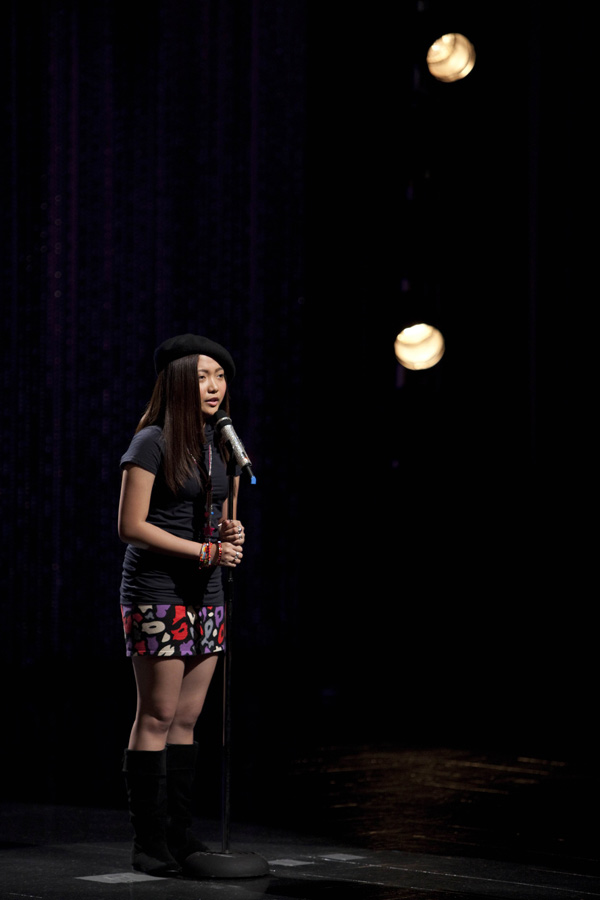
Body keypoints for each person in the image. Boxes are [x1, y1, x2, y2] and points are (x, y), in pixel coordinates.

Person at [118, 333, 245, 877]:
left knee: (188, 718)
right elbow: (130, 526)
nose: (214, 386)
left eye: (220, 376)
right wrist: (204, 551)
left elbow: (222, 518)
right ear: (175, 383)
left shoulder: (223, 443)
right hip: (158, 591)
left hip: (207, 592)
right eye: (201, 377)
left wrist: (230, 533)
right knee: (158, 714)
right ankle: (148, 843)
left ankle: (180, 834)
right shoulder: (152, 441)